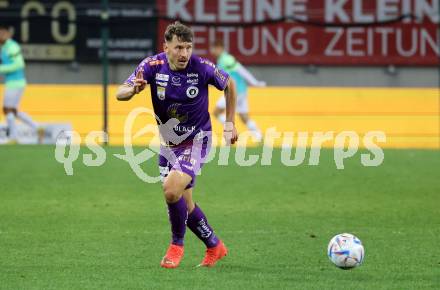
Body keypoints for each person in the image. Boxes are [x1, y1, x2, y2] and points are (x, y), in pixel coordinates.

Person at [116, 22, 238, 269]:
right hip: (169, 144)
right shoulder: (151, 66)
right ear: (166, 47)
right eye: (178, 47)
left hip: (197, 140)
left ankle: (176, 246)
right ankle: (215, 246)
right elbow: (121, 92)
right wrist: (133, 91)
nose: (184, 53)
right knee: (185, 204)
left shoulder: (201, 67)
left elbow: (230, 85)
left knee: (171, 190)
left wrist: (229, 123)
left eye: (188, 47)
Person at [210, 40, 265, 142]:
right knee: (244, 116)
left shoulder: (227, 59)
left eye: (213, 48)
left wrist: (254, 82)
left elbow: (241, 70)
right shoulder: (221, 60)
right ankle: (259, 136)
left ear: (220, 48)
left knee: (216, 112)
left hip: (235, 92)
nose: (212, 51)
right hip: (241, 91)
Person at [0, 24, 41, 144]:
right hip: (15, 82)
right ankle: (38, 128)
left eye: (2, 33)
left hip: (15, 82)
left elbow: (19, 64)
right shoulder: (4, 47)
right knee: (13, 110)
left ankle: (13, 137)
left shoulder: (12, 47)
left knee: (7, 109)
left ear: (8, 34)